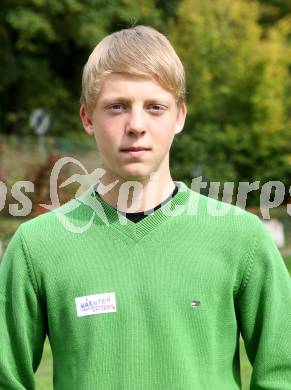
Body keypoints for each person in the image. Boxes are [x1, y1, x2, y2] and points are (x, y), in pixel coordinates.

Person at [0, 25, 291, 390]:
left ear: (180, 116)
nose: (136, 125)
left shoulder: (241, 239)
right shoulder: (37, 246)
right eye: (116, 107)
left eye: (155, 107)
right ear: (87, 118)